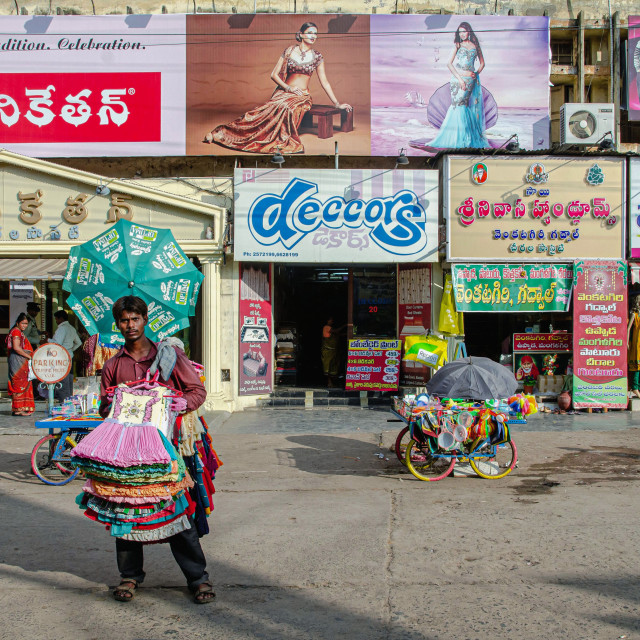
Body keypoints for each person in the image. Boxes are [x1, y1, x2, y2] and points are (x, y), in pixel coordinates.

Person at [98, 296, 215, 604]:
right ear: (118, 324)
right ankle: (129, 576)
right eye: (124, 320)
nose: (130, 325)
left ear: (145, 319)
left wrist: (180, 404)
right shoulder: (113, 366)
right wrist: (116, 404)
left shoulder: (168, 355)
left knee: (176, 511)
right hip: (127, 455)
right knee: (125, 512)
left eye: (135, 318)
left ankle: (198, 578)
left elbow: (198, 390)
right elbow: (103, 408)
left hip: (168, 449)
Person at [204, 22, 352, 154]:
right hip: (284, 93)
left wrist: (337, 103)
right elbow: (274, 74)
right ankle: (222, 133)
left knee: (286, 109)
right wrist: (288, 88)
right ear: (301, 34)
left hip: (301, 96)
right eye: (310, 32)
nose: (313, 36)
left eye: (315, 33)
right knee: (260, 112)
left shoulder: (317, 56)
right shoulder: (288, 51)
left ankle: (276, 140)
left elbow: (325, 82)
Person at [428, 22, 488, 149]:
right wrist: (460, 79)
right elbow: (449, 64)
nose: (462, 34)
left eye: (464, 31)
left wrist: (476, 73)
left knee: (463, 106)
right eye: (459, 32)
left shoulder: (475, 45)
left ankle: (466, 138)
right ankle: (455, 138)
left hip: (470, 80)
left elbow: (482, 63)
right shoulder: (457, 45)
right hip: (457, 80)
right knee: (457, 105)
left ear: (469, 32)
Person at [49, 310, 82, 402]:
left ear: (61, 318)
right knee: (69, 380)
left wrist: (48, 340)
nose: (56, 321)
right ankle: (69, 401)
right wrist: (70, 350)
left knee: (62, 381)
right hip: (69, 356)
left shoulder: (62, 328)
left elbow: (57, 343)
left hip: (61, 357)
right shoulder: (71, 328)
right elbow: (78, 343)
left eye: (56, 319)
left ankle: (64, 402)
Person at [6, 313, 35, 416]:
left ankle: (21, 408)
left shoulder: (18, 331)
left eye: (26, 324)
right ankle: (18, 409)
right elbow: (16, 348)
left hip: (20, 360)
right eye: (23, 323)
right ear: (18, 323)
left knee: (23, 382)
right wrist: (29, 356)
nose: (24, 325)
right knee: (19, 383)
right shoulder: (16, 332)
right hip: (18, 361)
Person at [321, 317, 346, 387]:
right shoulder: (326, 327)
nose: (332, 321)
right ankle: (329, 382)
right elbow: (336, 331)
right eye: (330, 320)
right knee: (327, 367)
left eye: (332, 320)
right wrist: (345, 325)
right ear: (327, 320)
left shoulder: (332, 330)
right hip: (327, 351)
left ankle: (332, 382)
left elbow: (338, 334)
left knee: (333, 367)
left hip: (333, 351)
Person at [627, 296, 640, 399]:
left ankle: (637, 387)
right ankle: (635, 387)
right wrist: (627, 341)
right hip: (636, 344)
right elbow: (628, 329)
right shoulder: (634, 315)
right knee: (636, 365)